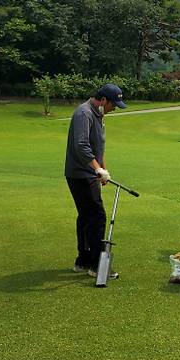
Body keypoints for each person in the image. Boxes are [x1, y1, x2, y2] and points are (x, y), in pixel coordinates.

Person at [65, 83, 126, 279]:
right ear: (103, 100)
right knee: (97, 217)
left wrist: (103, 169)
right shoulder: (84, 114)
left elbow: (99, 146)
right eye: (113, 105)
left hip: (89, 173)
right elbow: (82, 146)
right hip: (80, 174)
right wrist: (96, 168)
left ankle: (82, 261)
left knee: (85, 217)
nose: (114, 108)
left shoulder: (99, 115)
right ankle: (96, 265)